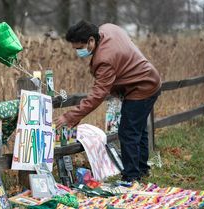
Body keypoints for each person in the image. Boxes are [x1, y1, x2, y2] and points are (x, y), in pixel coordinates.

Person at [54, 20, 161, 182]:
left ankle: (131, 177)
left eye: (79, 48)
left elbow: (98, 95)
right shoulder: (107, 29)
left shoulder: (104, 59)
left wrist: (71, 116)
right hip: (149, 79)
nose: (77, 52)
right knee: (138, 129)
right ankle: (141, 169)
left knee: (128, 132)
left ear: (91, 40)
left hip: (141, 87)